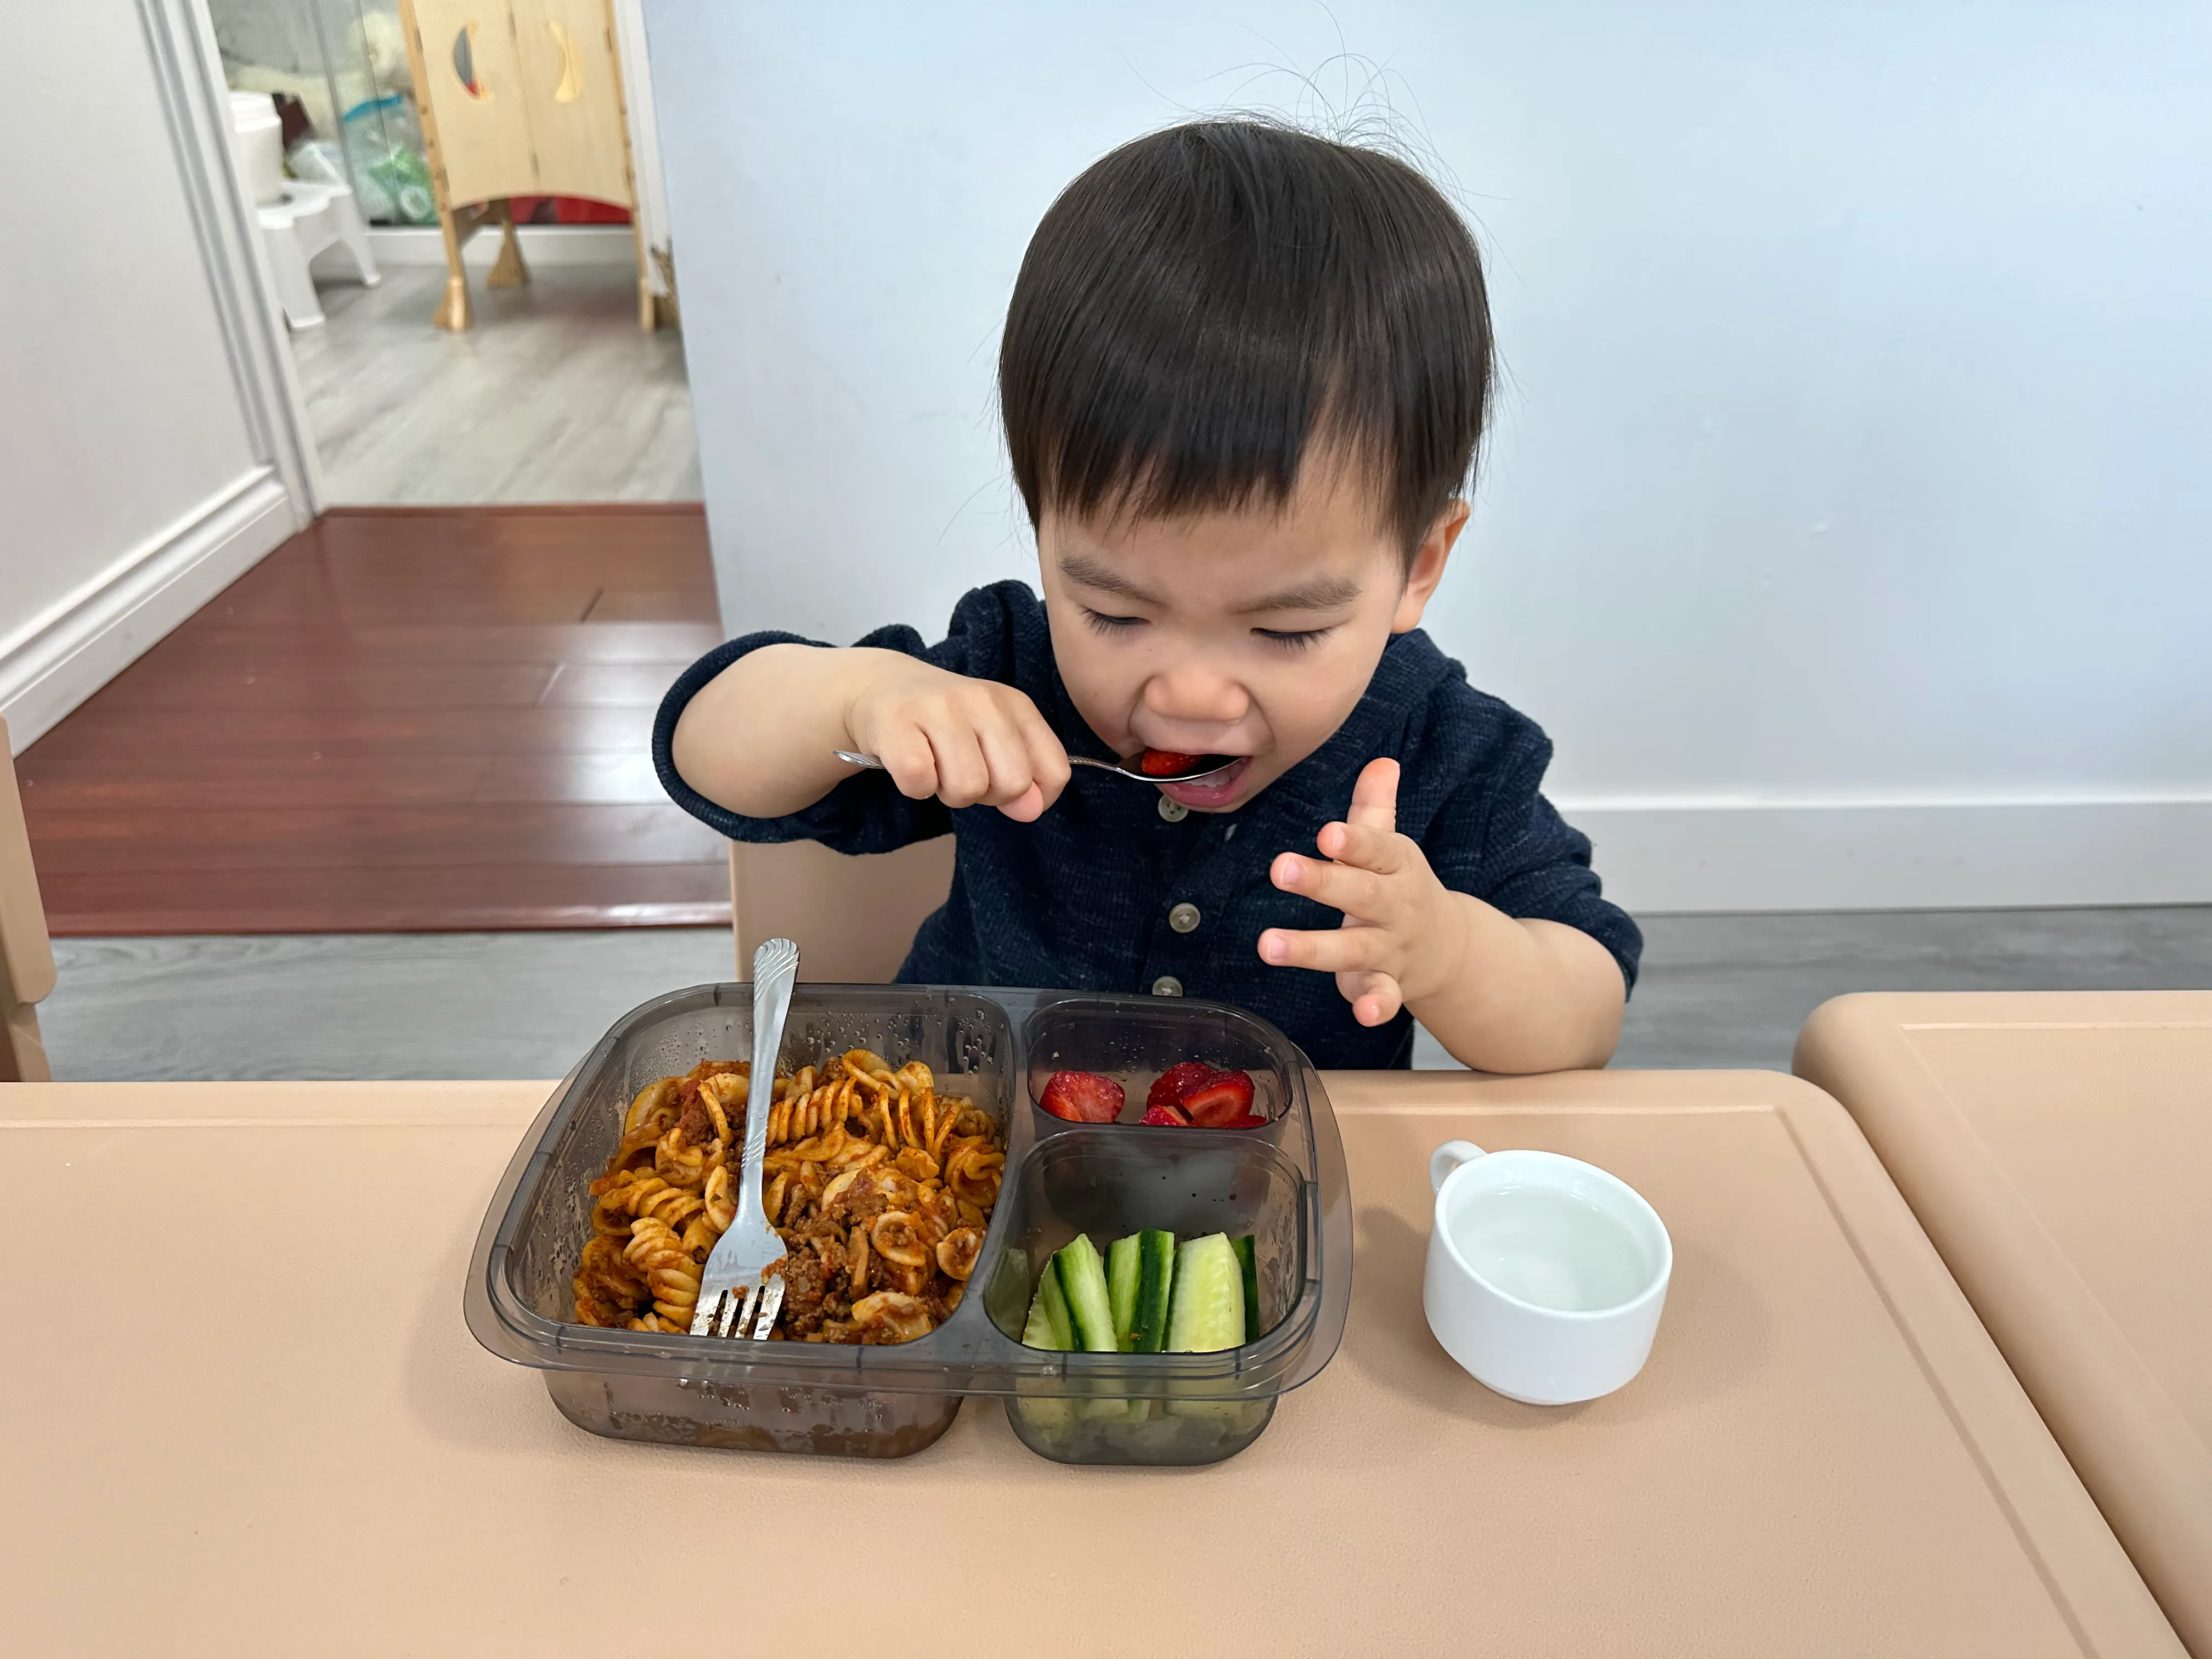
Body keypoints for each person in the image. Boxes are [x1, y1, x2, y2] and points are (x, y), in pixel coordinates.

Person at [656, 120, 1640, 1072]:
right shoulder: (1006, 669)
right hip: (968, 1154)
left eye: (1287, 629)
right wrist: (860, 697)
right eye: (1117, 616)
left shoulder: (1439, 749)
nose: (1191, 697)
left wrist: (1452, 953)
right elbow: (702, 751)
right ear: (1045, 535)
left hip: (1271, 1203)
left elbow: (1586, 1006)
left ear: (1420, 565)